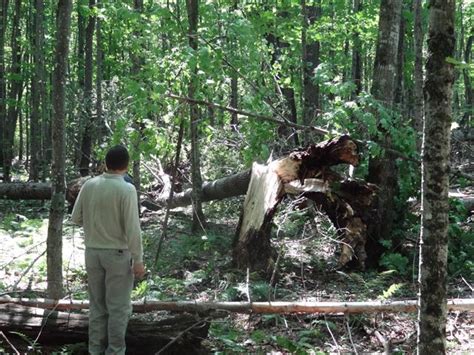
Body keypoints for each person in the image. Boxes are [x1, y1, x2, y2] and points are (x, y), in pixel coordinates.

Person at [71, 145, 145, 355]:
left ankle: (95, 350)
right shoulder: (126, 189)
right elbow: (133, 228)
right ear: (126, 165)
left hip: (92, 252)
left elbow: (76, 218)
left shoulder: (89, 185)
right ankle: (115, 351)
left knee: (97, 306)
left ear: (105, 163)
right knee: (118, 308)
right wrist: (138, 260)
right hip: (118, 255)